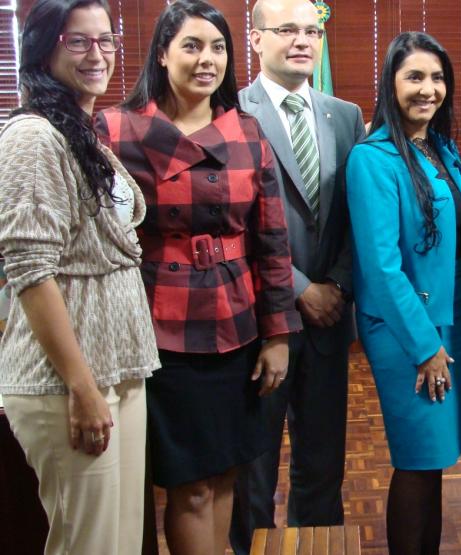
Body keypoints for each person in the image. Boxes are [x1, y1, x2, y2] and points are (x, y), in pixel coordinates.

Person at [95, 1, 301, 553]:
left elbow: (273, 243)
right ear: (162, 53)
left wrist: (278, 335)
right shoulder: (117, 131)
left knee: (228, 471)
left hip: (238, 326)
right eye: (191, 45)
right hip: (161, 329)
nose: (206, 59)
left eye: (216, 47)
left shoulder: (247, 131)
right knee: (188, 487)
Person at [0, 1, 160, 553]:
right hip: (67, 384)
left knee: (120, 541)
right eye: (78, 41)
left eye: (106, 40)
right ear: (44, 49)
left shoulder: (81, 132)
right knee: (87, 544)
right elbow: (30, 270)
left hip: (119, 369)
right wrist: (81, 386)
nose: (98, 54)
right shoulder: (33, 138)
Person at [230, 0, 365, 551]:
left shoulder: (346, 115)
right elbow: (228, 224)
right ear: (256, 39)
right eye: (288, 29)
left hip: (331, 320)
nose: (303, 40)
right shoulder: (230, 112)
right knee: (253, 471)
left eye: (313, 30)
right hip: (261, 324)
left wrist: (334, 284)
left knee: (322, 466)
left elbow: (362, 217)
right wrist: (301, 287)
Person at [346, 32, 461, 554]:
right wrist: (426, 347)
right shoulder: (373, 158)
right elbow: (382, 269)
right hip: (412, 333)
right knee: (417, 458)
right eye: (414, 77)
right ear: (391, 84)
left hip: (456, 320)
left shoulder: (442, 150)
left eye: (437, 78)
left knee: (437, 461)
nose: (428, 89)